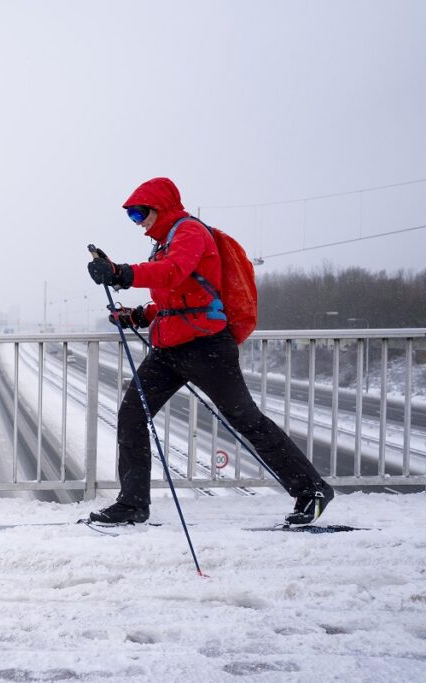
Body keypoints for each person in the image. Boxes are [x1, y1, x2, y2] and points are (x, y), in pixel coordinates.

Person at [86, 177, 334, 526]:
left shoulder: (190, 232)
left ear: (160, 207)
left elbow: (173, 274)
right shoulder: (163, 244)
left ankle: (313, 489)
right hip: (169, 349)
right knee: (132, 415)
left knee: (246, 419)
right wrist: (137, 316)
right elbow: (178, 299)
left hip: (206, 347)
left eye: (139, 213)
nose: (137, 221)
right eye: (131, 215)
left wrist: (120, 273)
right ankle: (132, 503)